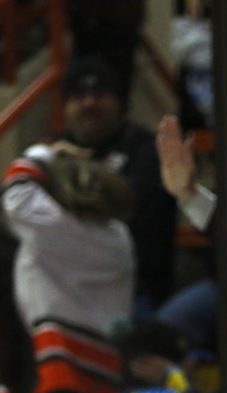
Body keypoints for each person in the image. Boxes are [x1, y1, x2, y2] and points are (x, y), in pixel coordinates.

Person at [2, 143, 135, 393]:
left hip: (61, 355)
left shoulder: (54, 224)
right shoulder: (118, 236)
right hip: (100, 358)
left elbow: (16, 191)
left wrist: (44, 152)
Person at [57, 57, 177, 311]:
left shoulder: (144, 147)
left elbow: (130, 208)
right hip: (67, 285)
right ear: (66, 107)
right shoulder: (54, 152)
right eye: (80, 96)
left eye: (99, 94)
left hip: (134, 285)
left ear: (118, 102)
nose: (90, 103)